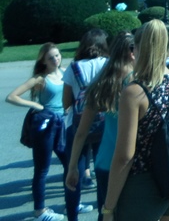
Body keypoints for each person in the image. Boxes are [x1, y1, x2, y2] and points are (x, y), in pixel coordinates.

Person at [103, 20, 169, 221]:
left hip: (143, 185)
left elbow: (125, 156)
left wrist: (108, 207)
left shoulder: (134, 92)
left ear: (139, 48)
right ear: (167, 48)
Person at [65, 33, 135, 221]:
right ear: (132, 53)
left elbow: (81, 132)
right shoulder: (137, 83)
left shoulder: (101, 84)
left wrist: (73, 167)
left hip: (105, 161)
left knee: (105, 212)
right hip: (132, 162)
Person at [6, 43, 68, 221]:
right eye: (51, 57)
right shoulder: (40, 78)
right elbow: (11, 97)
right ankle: (39, 211)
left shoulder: (65, 73)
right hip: (45, 125)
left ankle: (72, 201)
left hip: (62, 124)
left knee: (70, 164)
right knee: (42, 169)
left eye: (57, 55)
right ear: (43, 61)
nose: (55, 59)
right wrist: (36, 105)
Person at [62, 28, 109, 220]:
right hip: (104, 125)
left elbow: (66, 103)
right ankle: (103, 214)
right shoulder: (107, 65)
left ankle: (72, 215)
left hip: (77, 125)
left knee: (74, 172)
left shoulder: (73, 68)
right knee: (102, 172)